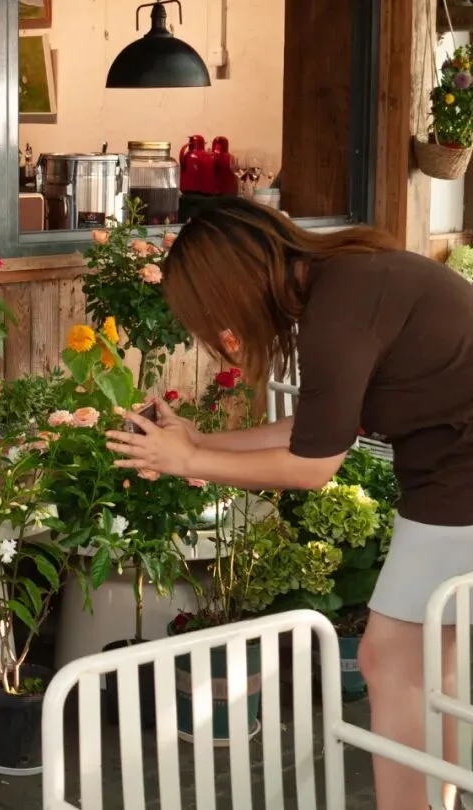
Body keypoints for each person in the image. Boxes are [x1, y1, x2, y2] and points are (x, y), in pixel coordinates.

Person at [105, 197, 473, 810]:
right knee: (433, 665)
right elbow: (316, 429)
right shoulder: (347, 281)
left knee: (391, 662)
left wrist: (189, 462)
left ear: (229, 288)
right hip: (450, 476)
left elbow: (313, 467)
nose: (219, 333)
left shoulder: (340, 307)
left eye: (210, 316)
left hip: (459, 479)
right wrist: (198, 440)